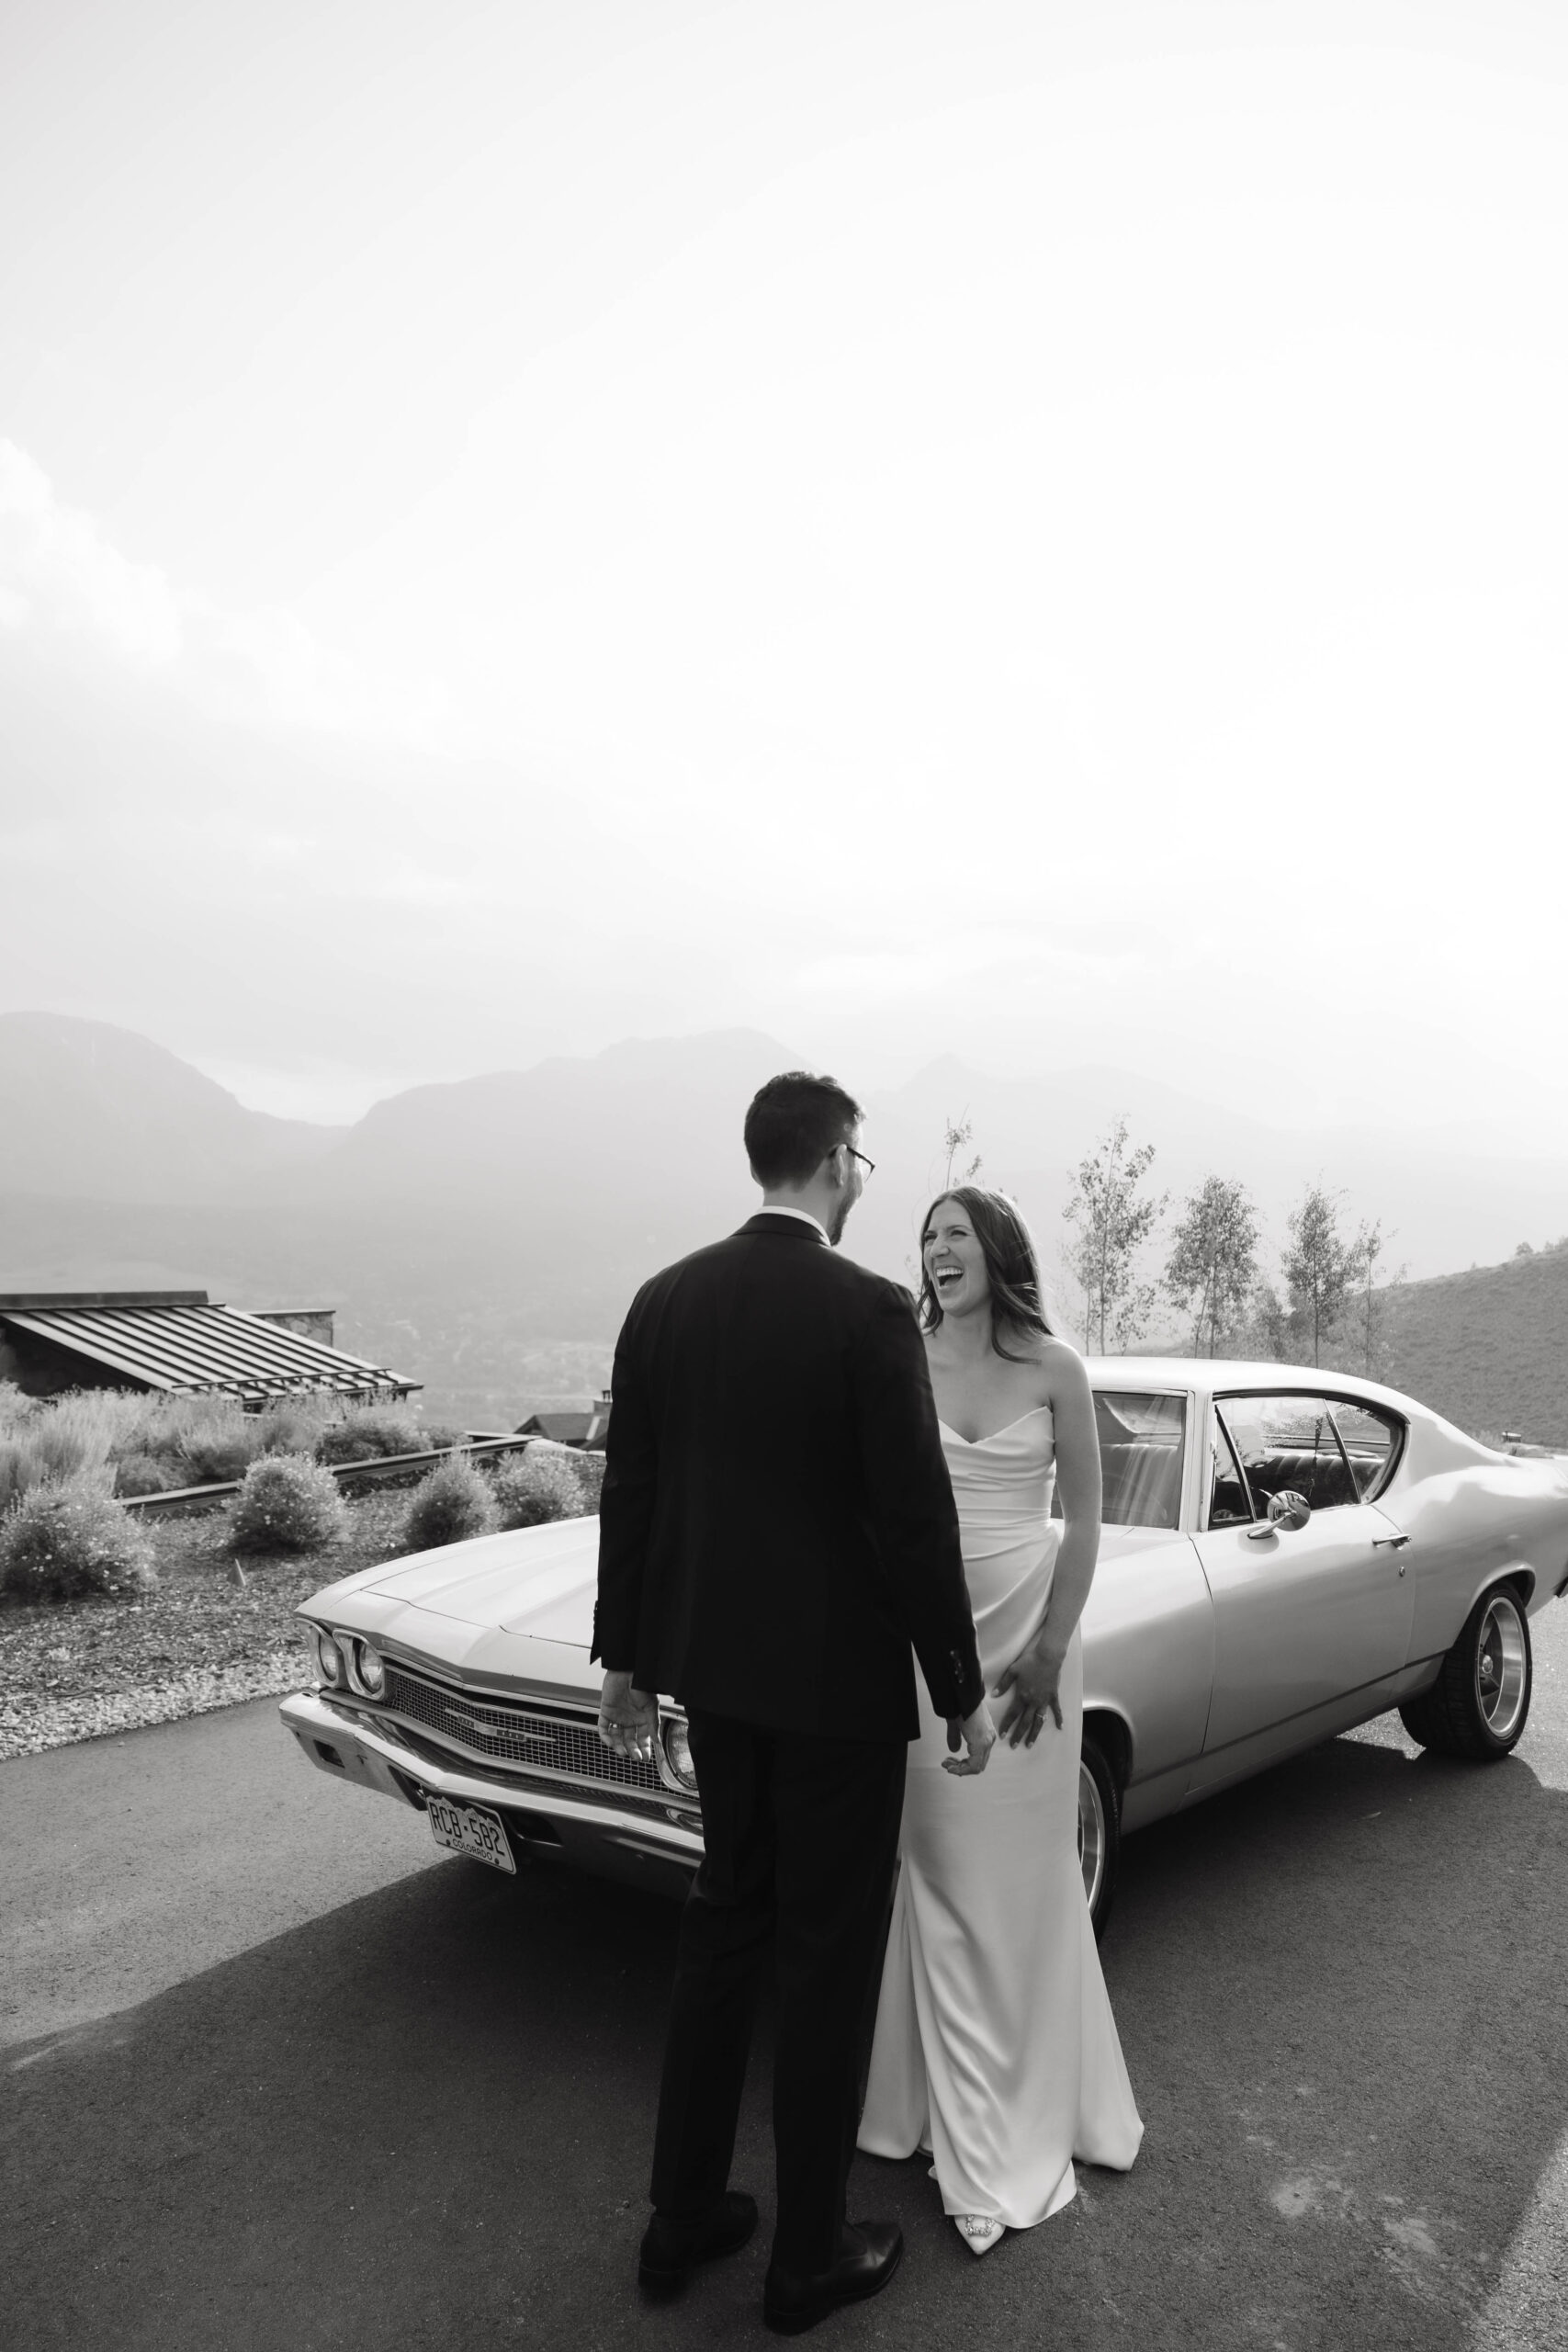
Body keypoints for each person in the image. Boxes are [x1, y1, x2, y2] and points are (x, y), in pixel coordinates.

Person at [592, 1072, 996, 2335]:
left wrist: (624, 1661)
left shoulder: (661, 1303)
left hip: (713, 1678)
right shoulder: (866, 1308)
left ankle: (681, 2214)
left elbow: (634, 1497)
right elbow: (909, 1517)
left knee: (723, 1922)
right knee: (822, 1957)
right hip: (834, 1692)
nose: (863, 1174)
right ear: (833, 1162)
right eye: (861, 1157)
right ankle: (804, 2258)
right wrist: (958, 1688)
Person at [857, 1185, 1144, 2253]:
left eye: (955, 1235)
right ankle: (937, 2113)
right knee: (936, 1876)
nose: (937, 1251)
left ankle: (1023, 2121)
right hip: (927, 1652)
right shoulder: (903, 1361)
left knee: (1022, 1885)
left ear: (998, 1251)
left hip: (1036, 1644)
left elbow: (1085, 1520)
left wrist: (1051, 1651)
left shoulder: (1056, 1368)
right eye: (927, 1237)